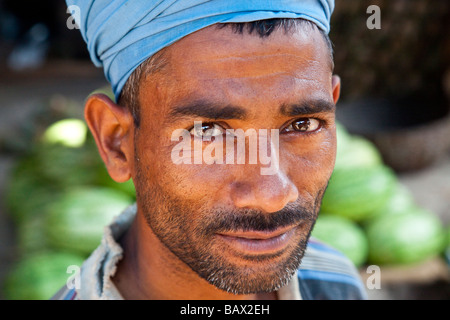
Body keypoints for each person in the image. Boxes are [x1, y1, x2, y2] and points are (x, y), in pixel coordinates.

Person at [53, 0, 368, 300]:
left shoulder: (337, 283)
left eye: (303, 124)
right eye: (208, 131)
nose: (272, 195)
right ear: (116, 142)